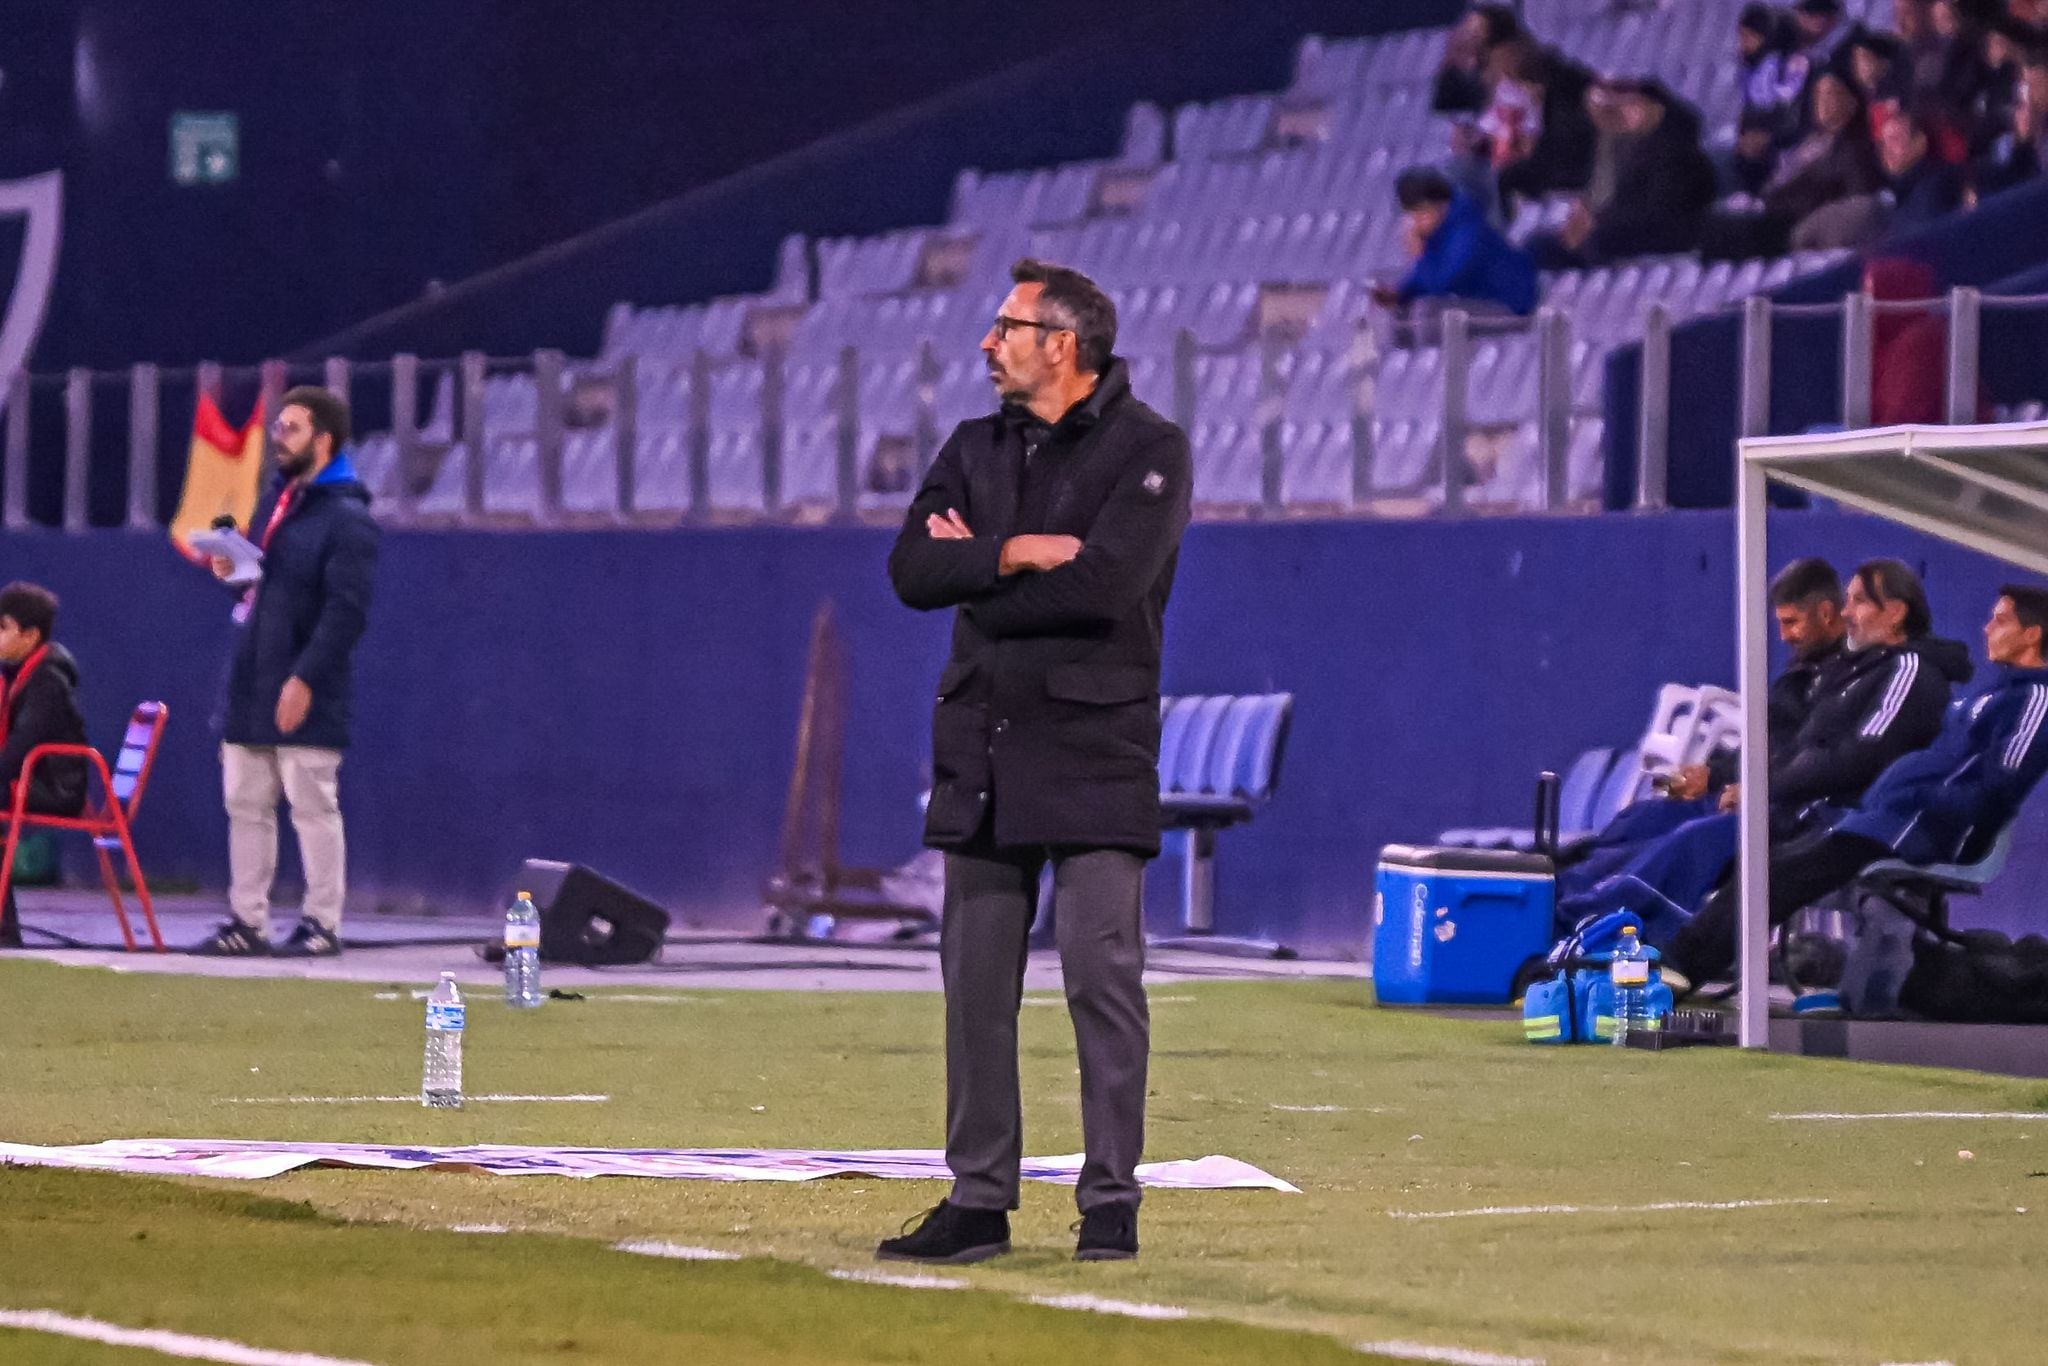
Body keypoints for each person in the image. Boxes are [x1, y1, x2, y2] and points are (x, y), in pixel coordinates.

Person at [879, 258, 1191, 1266]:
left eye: (1005, 326)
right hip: (983, 745)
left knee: (1102, 978)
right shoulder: (973, 445)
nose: (986, 343)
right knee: (974, 986)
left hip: (1095, 749)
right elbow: (911, 568)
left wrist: (976, 572)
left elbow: (1104, 587)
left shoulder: (1151, 449)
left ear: (1061, 343)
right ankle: (977, 1200)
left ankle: (1110, 1201)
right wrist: (1014, 553)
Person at [1664, 583, 2048, 992]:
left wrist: (1916, 800)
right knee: (1766, 861)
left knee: (1778, 874)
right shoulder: (1997, 693)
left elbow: (1999, 786)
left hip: (1918, 830)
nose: (1987, 628)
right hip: (1887, 820)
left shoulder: (2036, 699)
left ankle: (1682, 969)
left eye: (2001, 620)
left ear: (2033, 634)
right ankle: (1674, 957)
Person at [196, 386, 379, 958]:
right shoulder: (281, 507)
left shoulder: (348, 520)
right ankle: (248, 923)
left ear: (323, 440)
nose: (278, 438)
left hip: (303, 687)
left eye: (291, 428)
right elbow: (275, 590)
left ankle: (323, 924)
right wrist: (238, 570)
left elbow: (345, 613)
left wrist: (304, 679)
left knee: (312, 806)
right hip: (254, 679)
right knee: (245, 805)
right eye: (278, 427)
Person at [1555, 559, 1851, 904]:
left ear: (1827, 614)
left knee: (1686, 840)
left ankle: (1588, 909)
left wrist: (1758, 791)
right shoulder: (1798, 678)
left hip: (1782, 814)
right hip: (1737, 796)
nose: (1784, 636)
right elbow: (1761, 748)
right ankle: (1561, 888)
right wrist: (1708, 775)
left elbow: (1816, 762)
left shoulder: (1847, 684)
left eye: (1792, 623)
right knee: (1645, 814)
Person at [1526, 79, 1718, 268]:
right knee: (1538, 245)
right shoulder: (1616, 144)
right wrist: (1583, 217)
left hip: (1659, 234)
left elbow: (1657, 210)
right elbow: (1601, 194)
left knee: (1593, 243)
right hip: (1614, 227)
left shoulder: (1675, 150)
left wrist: (1596, 222)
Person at [1704, 70, 1883, 259]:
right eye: (1818, 94)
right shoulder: (1811, 140)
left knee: (1723, 231)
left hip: (1793, 225)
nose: (1822, 102)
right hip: (1768, 212)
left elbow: (1853, 203)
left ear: (1852, 101)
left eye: (1830, 93)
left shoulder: (1854, 150)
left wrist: (1768, 206)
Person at [0, 583, 87, 948]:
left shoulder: (47, 679)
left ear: (30, 635)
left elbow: (22, 745)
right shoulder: (25, 672)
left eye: (2, 627)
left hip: (55, 790)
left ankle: (5, 928)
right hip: (40, 781)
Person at [1372, 168, 1537, 345]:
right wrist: (1400, 294)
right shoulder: (1438, 234)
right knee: (1400, 312)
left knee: (1428, 311)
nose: (1416, 222)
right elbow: (1427, 277)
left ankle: (1435, 369)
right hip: (1476, 303)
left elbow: (1444, 282)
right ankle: (1400, 369)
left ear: (1439, 206)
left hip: (1509, 308)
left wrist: (1417, 253)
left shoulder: (1468, 231)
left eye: (1420, 213)